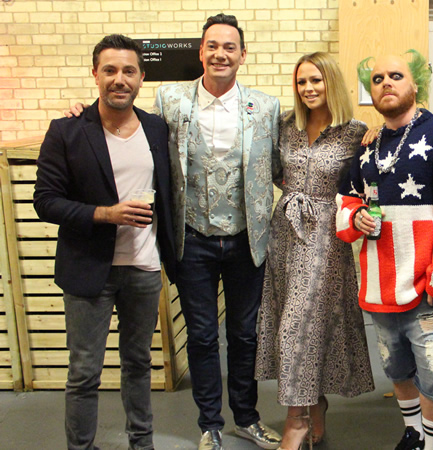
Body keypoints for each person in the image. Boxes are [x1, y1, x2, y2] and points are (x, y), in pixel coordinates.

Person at [33, 34, 176, 450]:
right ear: (94, 74)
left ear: (141, 77)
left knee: (138, 364)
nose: (119, 79)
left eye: (128, 71)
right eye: (110, 70)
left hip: (144, 268)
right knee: (83, 373)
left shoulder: (156, 127)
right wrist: (104, 214)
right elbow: (45, 200)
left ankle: (142, 443)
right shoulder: (67, 130)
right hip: (87, 267)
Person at [337, 50, 433, 450]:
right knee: (395, 366)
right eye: (378, 78)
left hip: (426, 284)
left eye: (396, 75)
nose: (386, 83)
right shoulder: (368, 143)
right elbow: (346, 200)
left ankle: (431, 447)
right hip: (380, 284)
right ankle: (413, 434)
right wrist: (355, 219)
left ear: (415, 83)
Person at [153, 13, 281, 450]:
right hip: (193, 238)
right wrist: (81, 112)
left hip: (248, 238)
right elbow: (139, 139)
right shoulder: (170, 100)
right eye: (212, 45)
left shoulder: (266, 106)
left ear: (242, 55)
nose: (220, 53)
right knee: (203, 334)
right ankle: (209, 422)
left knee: (245, 334)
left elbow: (283, 165)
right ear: (200, 51)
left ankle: (246, 416)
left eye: (229, 47)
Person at [254, 52, 375, 450]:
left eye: (316, 81)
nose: (308, 89)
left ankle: (297, 419)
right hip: (284, 232)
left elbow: (369, 180)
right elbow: (272, 168)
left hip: (325, 235)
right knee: (298, 322)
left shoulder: (356, 131)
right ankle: (315, 401)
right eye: (302, 82)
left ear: (332, 83)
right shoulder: (286, 125)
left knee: (297, 326)